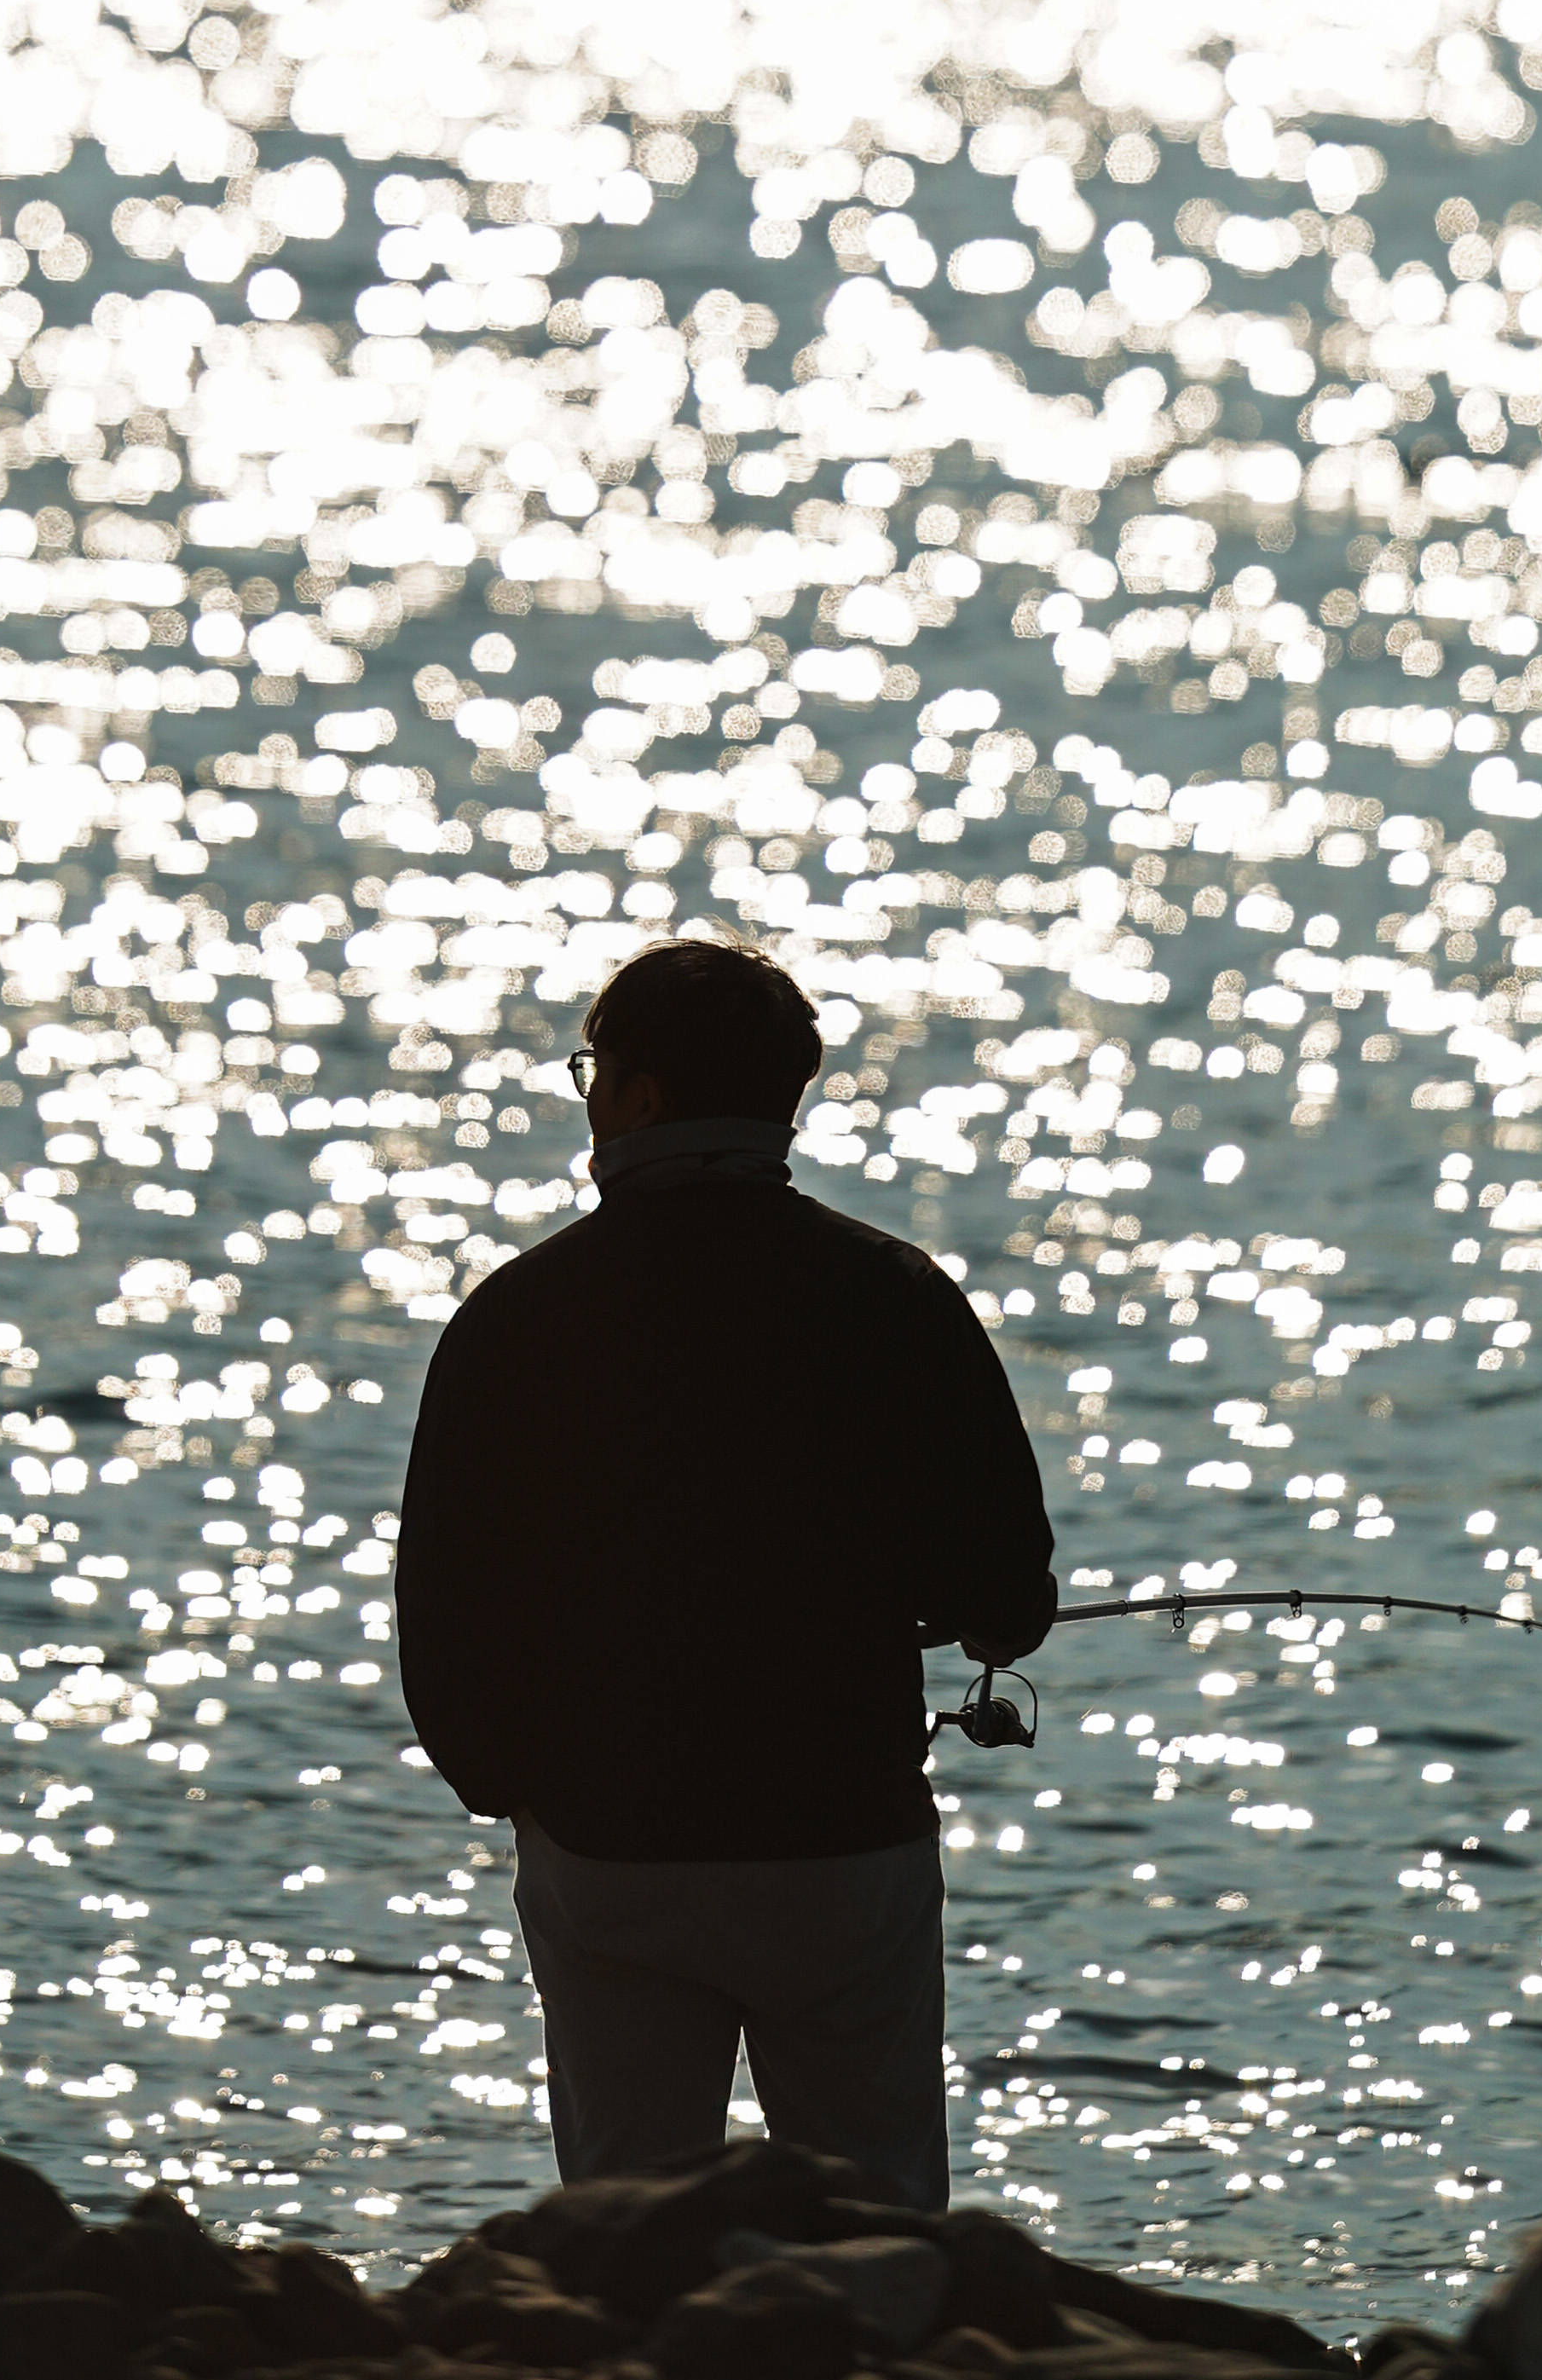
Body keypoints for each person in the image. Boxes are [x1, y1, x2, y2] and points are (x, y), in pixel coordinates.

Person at [395, 933, 1055, 2212]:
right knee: (878, 2219)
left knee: (626, 2225)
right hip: (840, 1838)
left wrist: (503, 1783)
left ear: (640, 1096)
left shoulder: (518, 1315)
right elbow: (1008, 1599)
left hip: (609, 1844)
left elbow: (446, 1600)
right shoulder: (897, 1295)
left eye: (594, 1072)